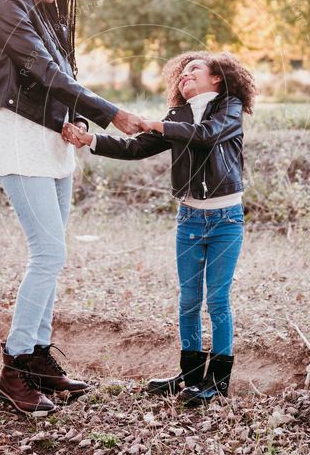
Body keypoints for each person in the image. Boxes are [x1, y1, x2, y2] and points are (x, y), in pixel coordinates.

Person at [0, 0, 151, 415]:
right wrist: (110, 113)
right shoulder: (5, 9)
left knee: (54, 255)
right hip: (18, 139)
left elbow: (59, 84)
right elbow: (47, 75)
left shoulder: (47, 19)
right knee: (48, 253)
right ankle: (14, 370)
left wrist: (72, 118)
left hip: (52, 142)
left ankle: (36, 361)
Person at [66, 51, 256, 405]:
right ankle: (189, 376)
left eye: (194, 69)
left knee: (217, 300)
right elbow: (135, 148)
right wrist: (90, 140)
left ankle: (218, 381)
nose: (185, 75)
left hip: (225, 220)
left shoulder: (228, 108)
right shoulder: (177, 116)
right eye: (181, 73)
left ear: (216, 78)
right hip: (189, 220)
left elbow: (206, 135)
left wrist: (156, 124)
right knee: (188, 301)